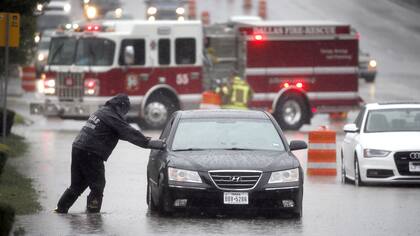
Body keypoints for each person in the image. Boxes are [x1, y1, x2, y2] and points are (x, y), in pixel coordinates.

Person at [55, 94, 163, 213]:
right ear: (120, 107)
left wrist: (143, 141)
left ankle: (61, 209)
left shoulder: (102, 112)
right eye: (125, 110)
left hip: (78, 148)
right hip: (91, 152)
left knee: (77, 185)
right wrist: (149, 143)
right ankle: (93, 215)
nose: (125, 114)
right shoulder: (112, 116)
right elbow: (128, 132)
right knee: (98, 185)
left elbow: (121, 133)